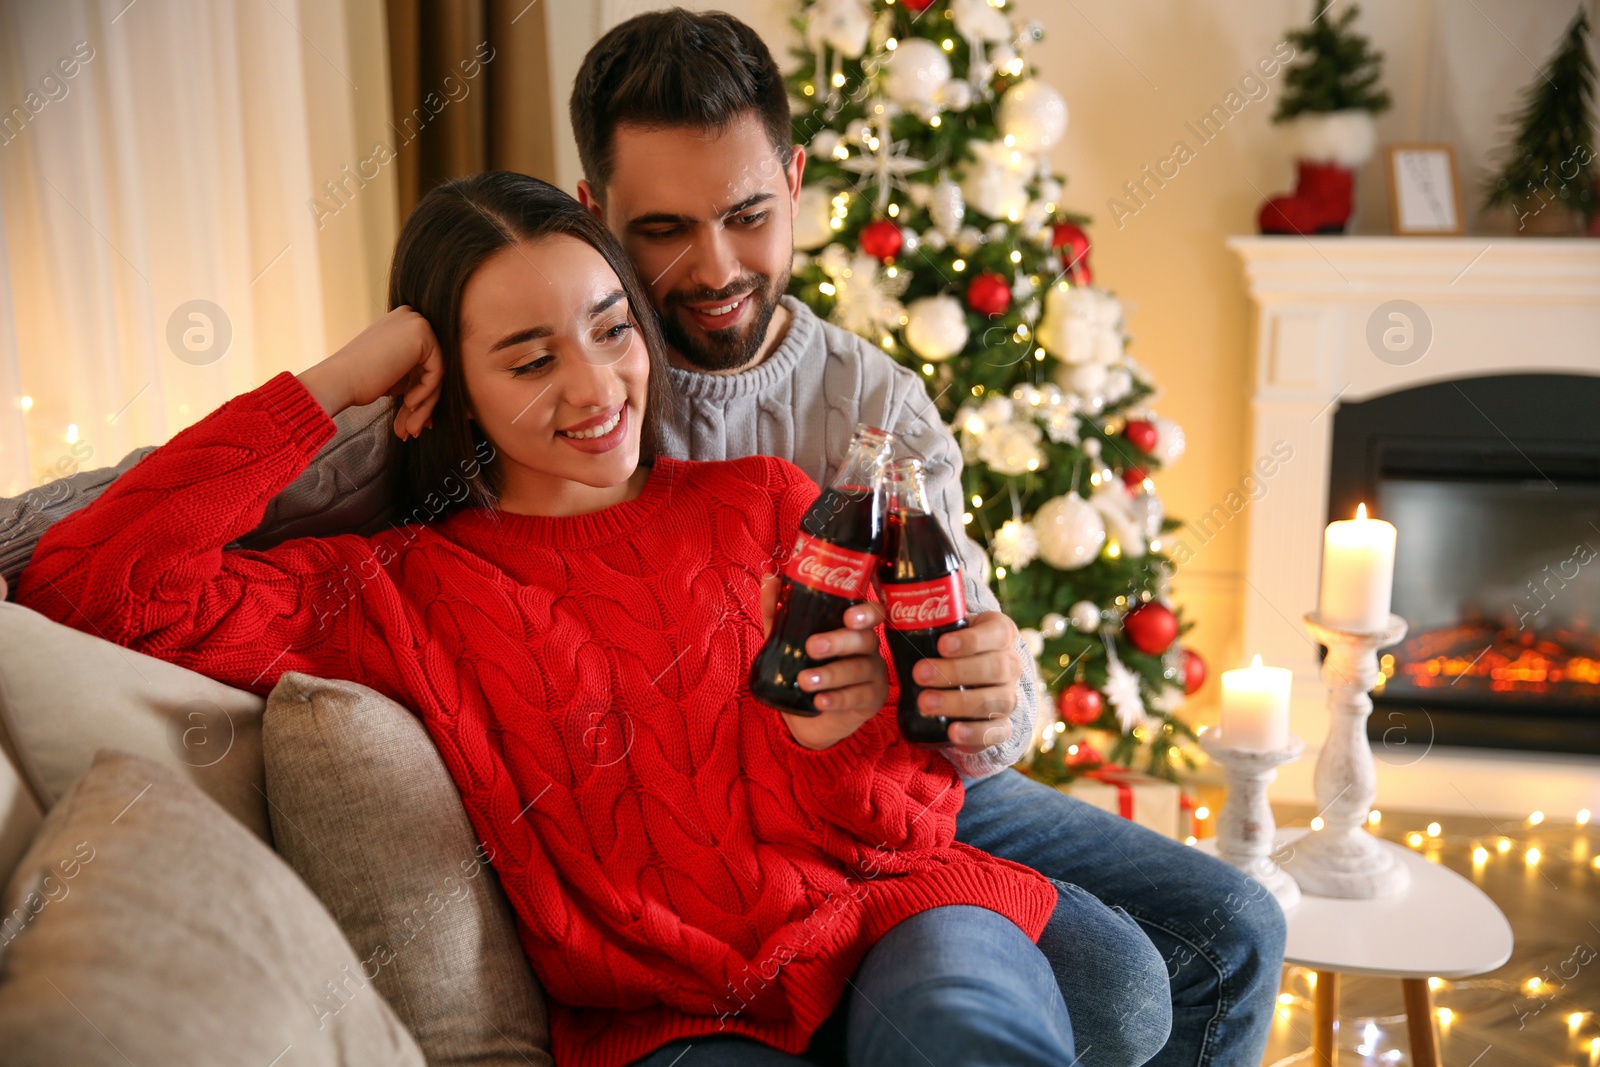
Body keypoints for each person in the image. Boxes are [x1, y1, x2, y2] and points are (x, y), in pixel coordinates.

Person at [2, 10, 1284, 1065]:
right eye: (529, 354)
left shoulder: (785, 488)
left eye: (612, 327)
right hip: (662, 1003)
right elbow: (87, 574)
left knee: (1004, 1010)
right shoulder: (386, 586)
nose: (602, 383)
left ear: (791, 189)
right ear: (450, 378)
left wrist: (858, 738)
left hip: (891, 904)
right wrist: (344, 372)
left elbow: (915, 781)